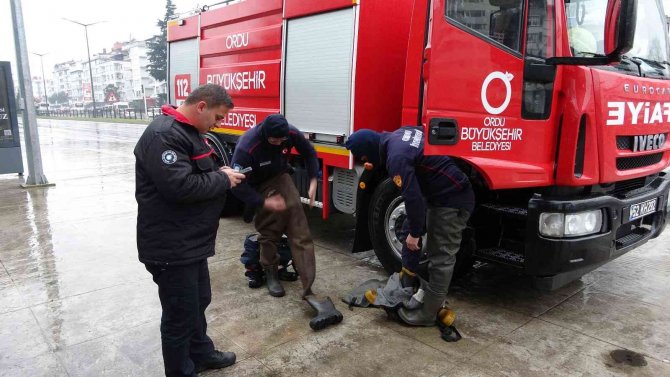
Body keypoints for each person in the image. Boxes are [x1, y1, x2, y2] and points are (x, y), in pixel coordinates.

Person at [134, 84, 246, 377]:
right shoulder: (164, 135)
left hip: (189, 241)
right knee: (179, 314)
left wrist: (219, 172)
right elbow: (179, 187)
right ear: (201, 106)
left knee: (199, 300)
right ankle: (180, 371)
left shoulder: (188, 132)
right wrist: (223, 181)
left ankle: (201, 353)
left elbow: (194, 173)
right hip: (170, 244)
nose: (218, 124)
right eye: (218, 117)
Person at [345, 126, 474, 326]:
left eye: (365, 159)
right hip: (440, 193)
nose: (368, 164)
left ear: (368, 151)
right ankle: (409, 281)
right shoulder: (397, 135)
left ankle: (429, 313)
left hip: (452, 199)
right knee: (409, 228)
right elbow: (415, 199)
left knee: (440, 256)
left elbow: (413, 199)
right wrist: (411, 234)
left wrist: (415, 233)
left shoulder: (396, 158)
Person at [231, 114, 343, 330]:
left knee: (300, 228)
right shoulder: (247, 147)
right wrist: (264, 202)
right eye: (275, 141)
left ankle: (308, 286)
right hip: (254, 183)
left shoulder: (288, 133)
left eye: (282, 141)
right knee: (269, 230)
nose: (279, 144)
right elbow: (237, 185)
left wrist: (312, 179)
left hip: (280, 176)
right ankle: (271, 271)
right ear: (265, 134)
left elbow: (309, 152)